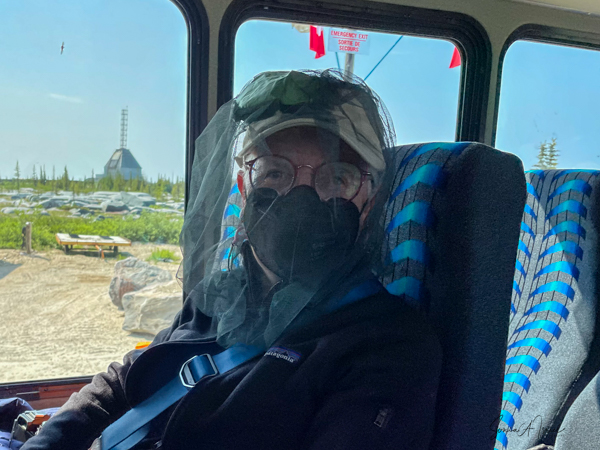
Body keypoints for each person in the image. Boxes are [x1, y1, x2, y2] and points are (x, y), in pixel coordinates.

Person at [22, 70, 442, 450]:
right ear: (245, 187)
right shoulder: (221, 295)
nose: (301, 197)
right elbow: (122, 381)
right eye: (275, 172)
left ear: (369, 202)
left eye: (336, 177)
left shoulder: (388, 347)